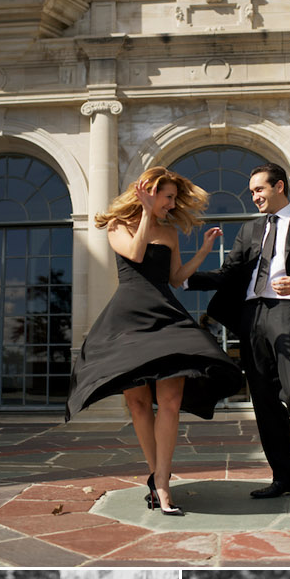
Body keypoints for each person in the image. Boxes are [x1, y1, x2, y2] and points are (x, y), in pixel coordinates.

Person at [65, 166, 242, 516]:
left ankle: (162, 480)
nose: (172, 204)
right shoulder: (118, 225)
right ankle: (157, 479)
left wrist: (204, 251)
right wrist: (145, 213)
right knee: (138, 404)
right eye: (168, 197)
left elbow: (175, 278)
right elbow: (134, 253)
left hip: (165, 314)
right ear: (147, 192)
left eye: (175, 198)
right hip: (128, 317)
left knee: (171, 400)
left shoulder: (171, 232)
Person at [187, 161, 290, 506]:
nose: (254, 197)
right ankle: (287, 477)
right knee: (263, 402)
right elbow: (228, 274)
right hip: (251, 316)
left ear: (279, 187)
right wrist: (185, 278)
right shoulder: (249, 230)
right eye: (251, 192)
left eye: (259, 190)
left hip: (287, 312)